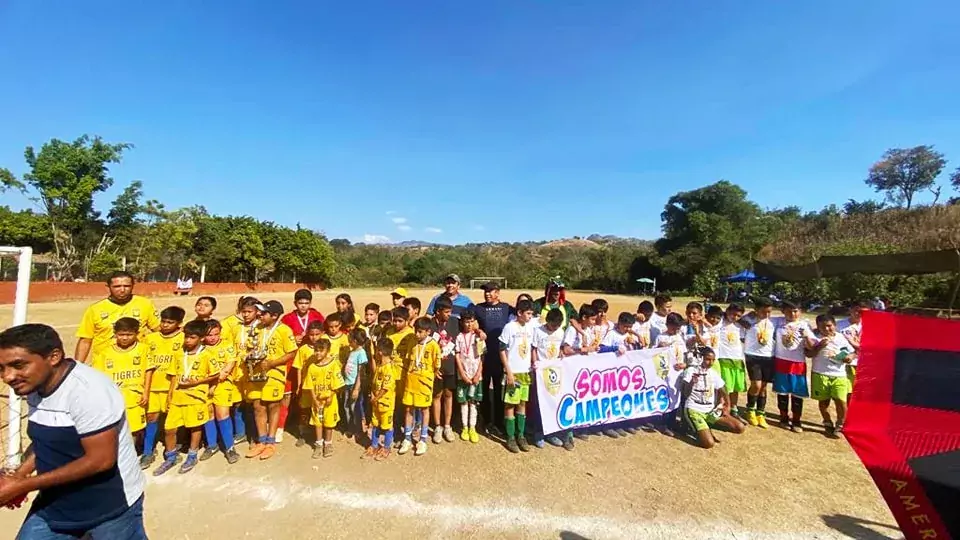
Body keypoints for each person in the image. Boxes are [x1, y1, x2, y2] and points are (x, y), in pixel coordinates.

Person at [0, 324, 147, 539]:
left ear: (54, 357)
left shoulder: (89, 391)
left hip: (109, 506)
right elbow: (45, 440)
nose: (8, 377)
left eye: (18, 365)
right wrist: (20, 475)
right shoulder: (34, 385)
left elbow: (101, 460)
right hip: (56, 504)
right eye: (1, 368)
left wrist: (24, 484)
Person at [153, 320, 217, 476]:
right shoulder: (179, 353)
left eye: (192, 337)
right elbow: (174, 376)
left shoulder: (207, 355)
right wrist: (169, 395)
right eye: (186, 337)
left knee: (195, 427)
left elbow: (215, 375)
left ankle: (192, 455)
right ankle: (171, 456)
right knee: (169, 429)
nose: (188, 340)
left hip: (196, 398)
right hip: (177, 398)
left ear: (201, 338)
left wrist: (197, 382)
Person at [245, 300, 298, 460]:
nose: (260, 315)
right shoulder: (257, 328)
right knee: (258, 406)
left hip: (275, 374)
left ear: (274, 316)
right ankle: (261, 441)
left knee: (274, 406)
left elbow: (292, 353)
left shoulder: (284, 330)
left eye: (264, 313)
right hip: (256, 374)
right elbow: (251, 347)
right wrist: (249, 356)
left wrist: (272, 363)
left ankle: (271, 441)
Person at [75, 271, 160, 364]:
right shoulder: (95, 309)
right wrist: (77, 367)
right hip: (105, 364)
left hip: (137, 363)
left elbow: (159, 331)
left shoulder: (145, 304)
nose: (122, 290)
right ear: (108, 287)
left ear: (133, 286)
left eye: (127, 286)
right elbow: (85, 341)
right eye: (117, 286)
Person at [89, 318, 148, 449]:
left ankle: (132, 454)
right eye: (121, 335)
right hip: (114, 399)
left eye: (129, 335)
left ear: (137, 334)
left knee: (134, 429)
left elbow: (148, 372)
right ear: (115, 334)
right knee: (115, 429)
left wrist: (146, 392)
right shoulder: (105, 353)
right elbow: (99, 378)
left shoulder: (143, 349)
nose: (125, 338)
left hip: (135, 398)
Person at [140, 306, 186, 469]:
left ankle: (174, 449)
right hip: (152, 387)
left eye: (170, 322)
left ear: (179, 324)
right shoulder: (150, 338)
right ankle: (147, 451)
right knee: (151, 418)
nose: (165, 325)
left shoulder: (184, 338)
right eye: (163, 321)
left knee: (172, 421)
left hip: (173, 387)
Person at [277, 289, 325, 444]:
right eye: (300, 303)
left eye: (306, 303)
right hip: (292, 361)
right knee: (289, 394)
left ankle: (314, 428)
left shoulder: (317, 316)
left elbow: (324, 335)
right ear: (295, 303)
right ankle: (282, 426)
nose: (303, 306)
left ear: (310, 303)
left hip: (313, 361)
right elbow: (280, 336)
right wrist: (292, 339)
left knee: (314, 395)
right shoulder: (287, 318)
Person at [681, 347, 745, 449]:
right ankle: (693, 428)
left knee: (739, 427)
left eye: (713, 360)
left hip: (710, 411)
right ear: (701, 358)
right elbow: (685, 394)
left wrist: (727, 406)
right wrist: (692, 382)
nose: (710, 363)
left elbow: (723, 389)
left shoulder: (712, 373)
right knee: (708, 444)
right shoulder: (691, 371)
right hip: (694, 410)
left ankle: (707, 426)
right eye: (707, 359)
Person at [472, 281, 514, 435]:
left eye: (490, 291)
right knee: (483, 390)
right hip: (484, 356)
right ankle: (486, 421)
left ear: (498, 292)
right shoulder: (478, 308)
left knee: (498, 391)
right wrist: (478, 331)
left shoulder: (507, 308)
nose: (487, 293)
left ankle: (499, 421)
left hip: (501, 356)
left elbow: (523, 317)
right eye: (485, 291)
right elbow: (468, 320)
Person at [200, 319, 242, 464]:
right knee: (209, 414)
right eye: (209, 335)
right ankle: (212, 445)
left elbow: (230, 363)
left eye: (215, 334)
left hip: (222, 384)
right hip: (204, 385)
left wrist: (223, 374)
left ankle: (230, 448)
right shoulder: (200, 348)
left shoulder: (226, 345)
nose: (212, 338)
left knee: (222, 415)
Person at [399, 317, 442, 456]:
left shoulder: (433, 345)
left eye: (420, 332)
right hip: (411, 382)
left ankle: (423, 439)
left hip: (424, 383)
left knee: (424, 409)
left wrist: (429, 378)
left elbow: (437, 366)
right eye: (416, 331)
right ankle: (407, 438)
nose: (417, 334)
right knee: (408, 409)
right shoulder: (412, 341)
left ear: (428, 332)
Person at [533, 308, 574, 450]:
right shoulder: (538, 331)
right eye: (552, 325)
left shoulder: (561, 332)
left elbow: (561, 348)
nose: (554, 328)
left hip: (555, 372)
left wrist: (562, 353)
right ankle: (539, 433)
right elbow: (534, 349)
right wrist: (535, 363)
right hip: (541, 371)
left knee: (553, 402)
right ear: (547, 321)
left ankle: (552, 432)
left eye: (557, 326)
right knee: (540, 403)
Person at [810, 314, 856, 437]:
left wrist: (849, 358)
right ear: (818, 327)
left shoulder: (842, 337)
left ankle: (840, 425)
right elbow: (809, 354)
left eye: (829, 326)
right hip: (820, 373)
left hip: (839, 375)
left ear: (835, 325)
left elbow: (853, 352)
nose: (826, 329)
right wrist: (820, 346)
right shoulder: (815, 337)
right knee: (824, 402)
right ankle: (827, 421)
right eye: (822, 327)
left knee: (841, 401)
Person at [499, 299, 537, 453]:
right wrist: (508, 370)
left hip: (525, 372)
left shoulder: (531, 326)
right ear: (519, 313)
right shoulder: (509, 327)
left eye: (531, 314)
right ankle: (510, 437)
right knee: (510, 405)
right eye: (527, 313)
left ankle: (520, 435)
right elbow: (502, 349)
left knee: (522, 404)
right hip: (513, 372)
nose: (530, 316)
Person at [772, 300, 814, 432]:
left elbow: (812, 346)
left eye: (795, 311)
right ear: (783, 311)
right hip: (781, 362)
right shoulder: (778, 322)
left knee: (797, 393)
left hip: (798, 364)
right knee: (782, 392)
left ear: (800, 312)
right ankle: (783, 418)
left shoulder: (804, 325)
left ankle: (796, 420)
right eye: (789, 311)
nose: (792, 314)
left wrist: (806, 338)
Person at [302, 337, 345, 459]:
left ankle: (328, 443)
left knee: (329, 423)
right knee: (317, 422)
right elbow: (309, 385)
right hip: (317, 401)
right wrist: (314, 400)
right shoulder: (312, 367)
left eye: (321, 350)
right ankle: (319, 444)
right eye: (316, 350)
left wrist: (331, 395)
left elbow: (338, 384)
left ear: (327, 351)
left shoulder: (333, 365)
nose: (318, 353)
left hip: (329, 401)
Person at [740, 297, 776, 429]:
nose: (766, 315)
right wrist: (748, 315)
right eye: (763, 311)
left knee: (764, 387)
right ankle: (750, 410)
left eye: (769, 312)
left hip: (768, 357)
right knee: (756, 384)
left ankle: (760, 412)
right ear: (756, 310)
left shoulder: (773, 321)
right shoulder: (749, 319)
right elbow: (738, 320)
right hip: (752, 356)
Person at [291, 325, 328, 447]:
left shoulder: (325, 349)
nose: (314, 337)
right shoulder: (303, 349)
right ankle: (302, 434)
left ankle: (320, 435)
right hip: (307, 387)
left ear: (322, 333)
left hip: (321, 387)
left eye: (317, 334)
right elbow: (299, 368)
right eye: (311, 334)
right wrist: (299, 385)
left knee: (320, 410)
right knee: (304, 410)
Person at [430, 296, 460, 444]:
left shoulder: (455, 322)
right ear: (438, 311)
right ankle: (437, 426)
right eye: (446, 311)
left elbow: (471, 326)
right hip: (435, 369)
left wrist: (479, 331)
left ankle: (447, 426)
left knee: (448, 395)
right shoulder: (430, 325)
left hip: (450, 367)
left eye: (450, 311)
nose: (449, 314)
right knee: (437, 395)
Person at [653, 313, 688, 437]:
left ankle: (672, 422)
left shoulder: (680, 337)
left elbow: (684, 354)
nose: (675, 330)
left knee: (676, 396)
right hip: (665, 374)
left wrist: (684, 364)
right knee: (666, 396)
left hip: (678, 373)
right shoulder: (661, 337)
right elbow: (652, 355)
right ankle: (662, 423)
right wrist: (658, 347)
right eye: (673, 328)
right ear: (667, 325)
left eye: (678, 328)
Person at [455, 311, 485, 443]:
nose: (469, 324)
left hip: (476, 375)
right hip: (463, 375)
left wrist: (478, 373)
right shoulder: (459, 337)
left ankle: (473, 427)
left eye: (471, 321)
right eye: (466, 322)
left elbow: (482, 356)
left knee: (473, 402)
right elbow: (457, 356)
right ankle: (464, 427)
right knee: (464, 402)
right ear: (462, 322)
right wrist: (462, 373)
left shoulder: (478, 337)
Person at [366, 338, 398, 461]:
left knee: (387, 425)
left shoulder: (389, 368)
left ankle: (386, 447)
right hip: (376, 402)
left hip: (386, 403)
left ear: (380, 352)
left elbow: (386, 388)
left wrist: (376, 398)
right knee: (375, 423)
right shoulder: (380, 365)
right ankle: (374, 445)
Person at [715, 303, 747, 423]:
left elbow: (743, 340)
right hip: (724, 359)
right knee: (724, 387)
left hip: (738, 360)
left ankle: (734, 410)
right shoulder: (720, 322)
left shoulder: (740, 326)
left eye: (738, 315)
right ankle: (723, 409)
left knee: (736, 387)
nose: (735, 317)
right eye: (733, 314)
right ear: (727, 311)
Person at [342, 328, 369, 441]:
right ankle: (350, 429)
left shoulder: (361, 353)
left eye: (350, 338)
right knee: (347, 407)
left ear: (355, 340)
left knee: (355, 408)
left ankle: (358, 431)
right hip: (348, 383)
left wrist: (357, 388)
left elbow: (360, 372)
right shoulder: (352, 351)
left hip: (354, 385)